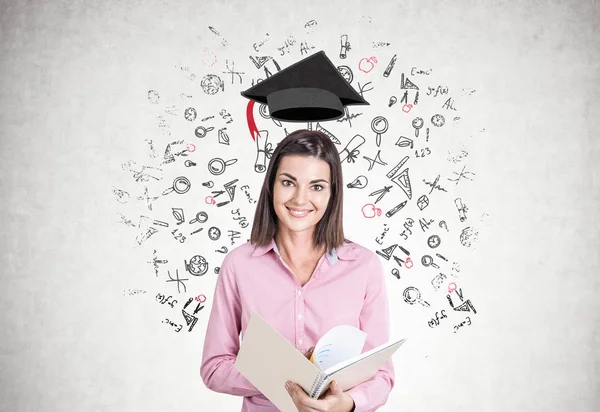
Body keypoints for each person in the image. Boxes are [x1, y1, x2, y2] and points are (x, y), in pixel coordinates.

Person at [200, 129, 394, 411]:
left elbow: (382, 374)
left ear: (332, 194)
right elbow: (214, 368)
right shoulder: (239, 265)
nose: (301, 199)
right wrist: (287, 376)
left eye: (316, 186)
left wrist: (346, 404)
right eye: (288, 182)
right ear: (271, 186)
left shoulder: (364, 267)